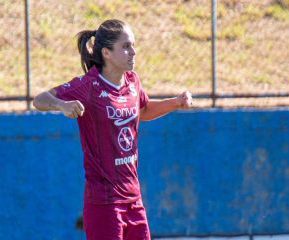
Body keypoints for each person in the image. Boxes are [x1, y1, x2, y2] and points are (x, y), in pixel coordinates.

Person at [33, 19, 192, 240]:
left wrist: (175, 102)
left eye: (133, 45)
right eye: (126, 46)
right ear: (107, 53)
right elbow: (40, 99)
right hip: (104, 202)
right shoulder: (88, 86)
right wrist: (62, 105)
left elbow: (143, 110)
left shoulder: (132, 82)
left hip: (133, 199)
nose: (133, 52)